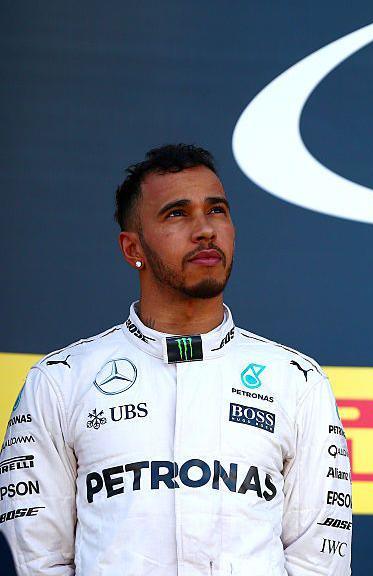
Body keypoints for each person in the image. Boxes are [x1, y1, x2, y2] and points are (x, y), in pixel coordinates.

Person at [0, 144, 353, 575]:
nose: (205, 230)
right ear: (134, 248)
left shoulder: (297, 383)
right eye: (177, 214)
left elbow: (319, 561)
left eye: (217, 211)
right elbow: (36, 558)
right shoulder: (61, 381)